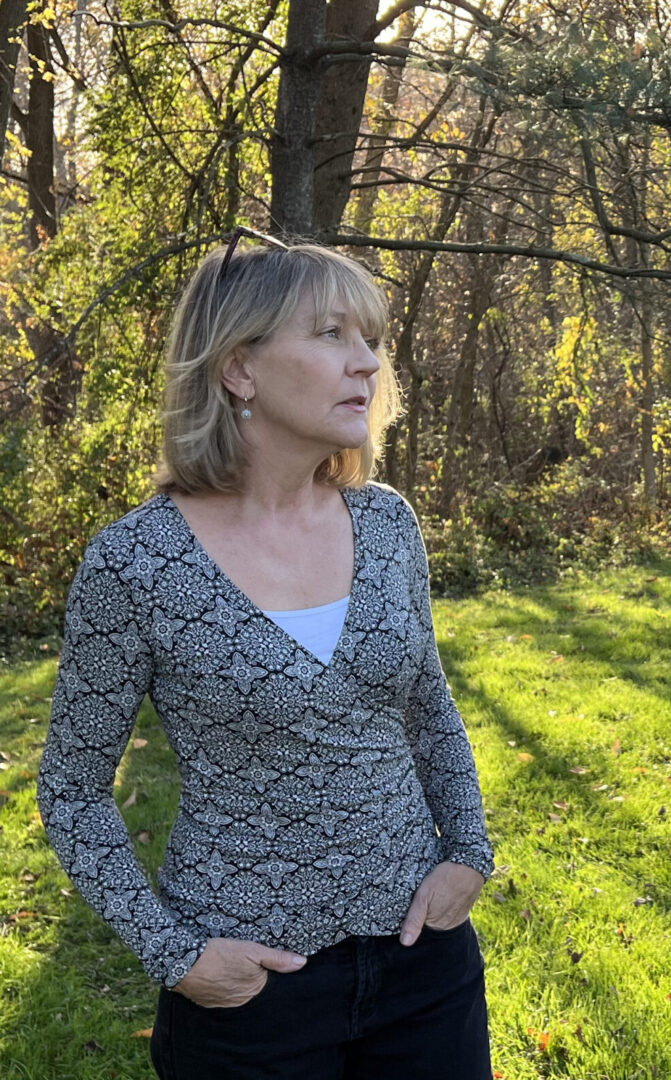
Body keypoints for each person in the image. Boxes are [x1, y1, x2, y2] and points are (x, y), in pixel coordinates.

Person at [38, 233, 495, 1079]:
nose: (368, 365)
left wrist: (468, 850)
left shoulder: (387, 523)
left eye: (372, 341)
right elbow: (69, 787)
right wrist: (175, 954)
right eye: (332, 336)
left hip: (423, 964)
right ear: (239, 369)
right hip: (249, 995)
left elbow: (428, 705)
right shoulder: (138, 563)